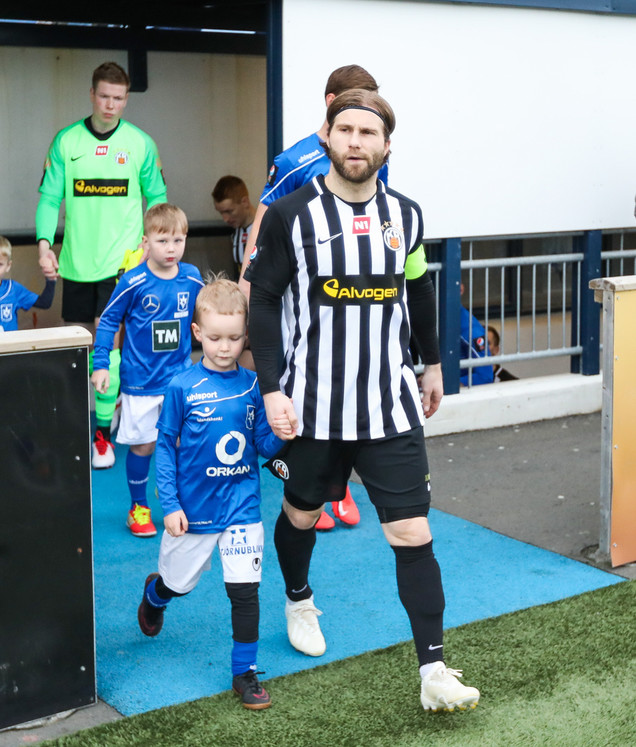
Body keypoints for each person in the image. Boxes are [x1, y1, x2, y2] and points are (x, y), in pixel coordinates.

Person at [245, 88, 480, 713]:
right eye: (345, 129)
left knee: (412, 530)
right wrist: (271, 389)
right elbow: (262, 301)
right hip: (311, 407)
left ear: (386, 145)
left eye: (367, 132)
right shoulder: (290, 214)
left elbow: (419, 291)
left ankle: (433, 669)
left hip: (389, 406)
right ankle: (299, 598)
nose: (355, 141)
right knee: (300, 515)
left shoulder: (407, 216)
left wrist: (433, 364)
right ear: (327, 136)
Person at [238, 64, 384, 530]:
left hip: (352, 296)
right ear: (331, 103)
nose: (364, 121)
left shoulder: (374, 153)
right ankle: (306, 483)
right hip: (297, 296)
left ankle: (339, 486)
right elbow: (262, 224)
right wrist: (245, 287)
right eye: (356, 102)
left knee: (348, 381)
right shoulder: (295, 160)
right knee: (302, 381)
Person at [136, 276, 290, 710]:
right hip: (194, 511)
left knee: (245, 593)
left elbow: (263, 445)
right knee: (178, 584)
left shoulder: (255, 386)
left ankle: (245, 673)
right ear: (197, 332)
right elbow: (165, 448)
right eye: (216, 338)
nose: (225, 347)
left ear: (246, 335)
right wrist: (170, 505)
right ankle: (156, 595)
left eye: (235, 338)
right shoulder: (181, 386)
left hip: (242, 507)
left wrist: (283, 433)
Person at [36, 61, 167, 470]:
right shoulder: (66, 141)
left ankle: (102, 435)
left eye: (118, 98)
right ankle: (84, 423)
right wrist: (44, 246)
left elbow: (157, 199)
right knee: (81, 350)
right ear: (92, 95)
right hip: (76, 263)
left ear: (126, 99)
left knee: (107, 347)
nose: (110, 104)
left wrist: (151, 244)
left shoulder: (141, 144)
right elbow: (49, 198)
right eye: (104, 96)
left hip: (122, 265)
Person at [91, 203, 203, 537]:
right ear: (146, 242)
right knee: (144, 447)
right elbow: (108, 320)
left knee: (184, 443)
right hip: (140, 382)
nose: (171, 248)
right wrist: (101, 364)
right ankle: (138, 507)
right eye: (162, 241)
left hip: (180, 381)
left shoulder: (192, 277)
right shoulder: (133, 280)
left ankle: (179, 501)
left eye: (178, 240)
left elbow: (205, 316)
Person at [211, 175, 257, 280]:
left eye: (229, 211)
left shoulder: (265, 228)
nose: (225, 219)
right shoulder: (236, 231)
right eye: (221, 213)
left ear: (245, 202)